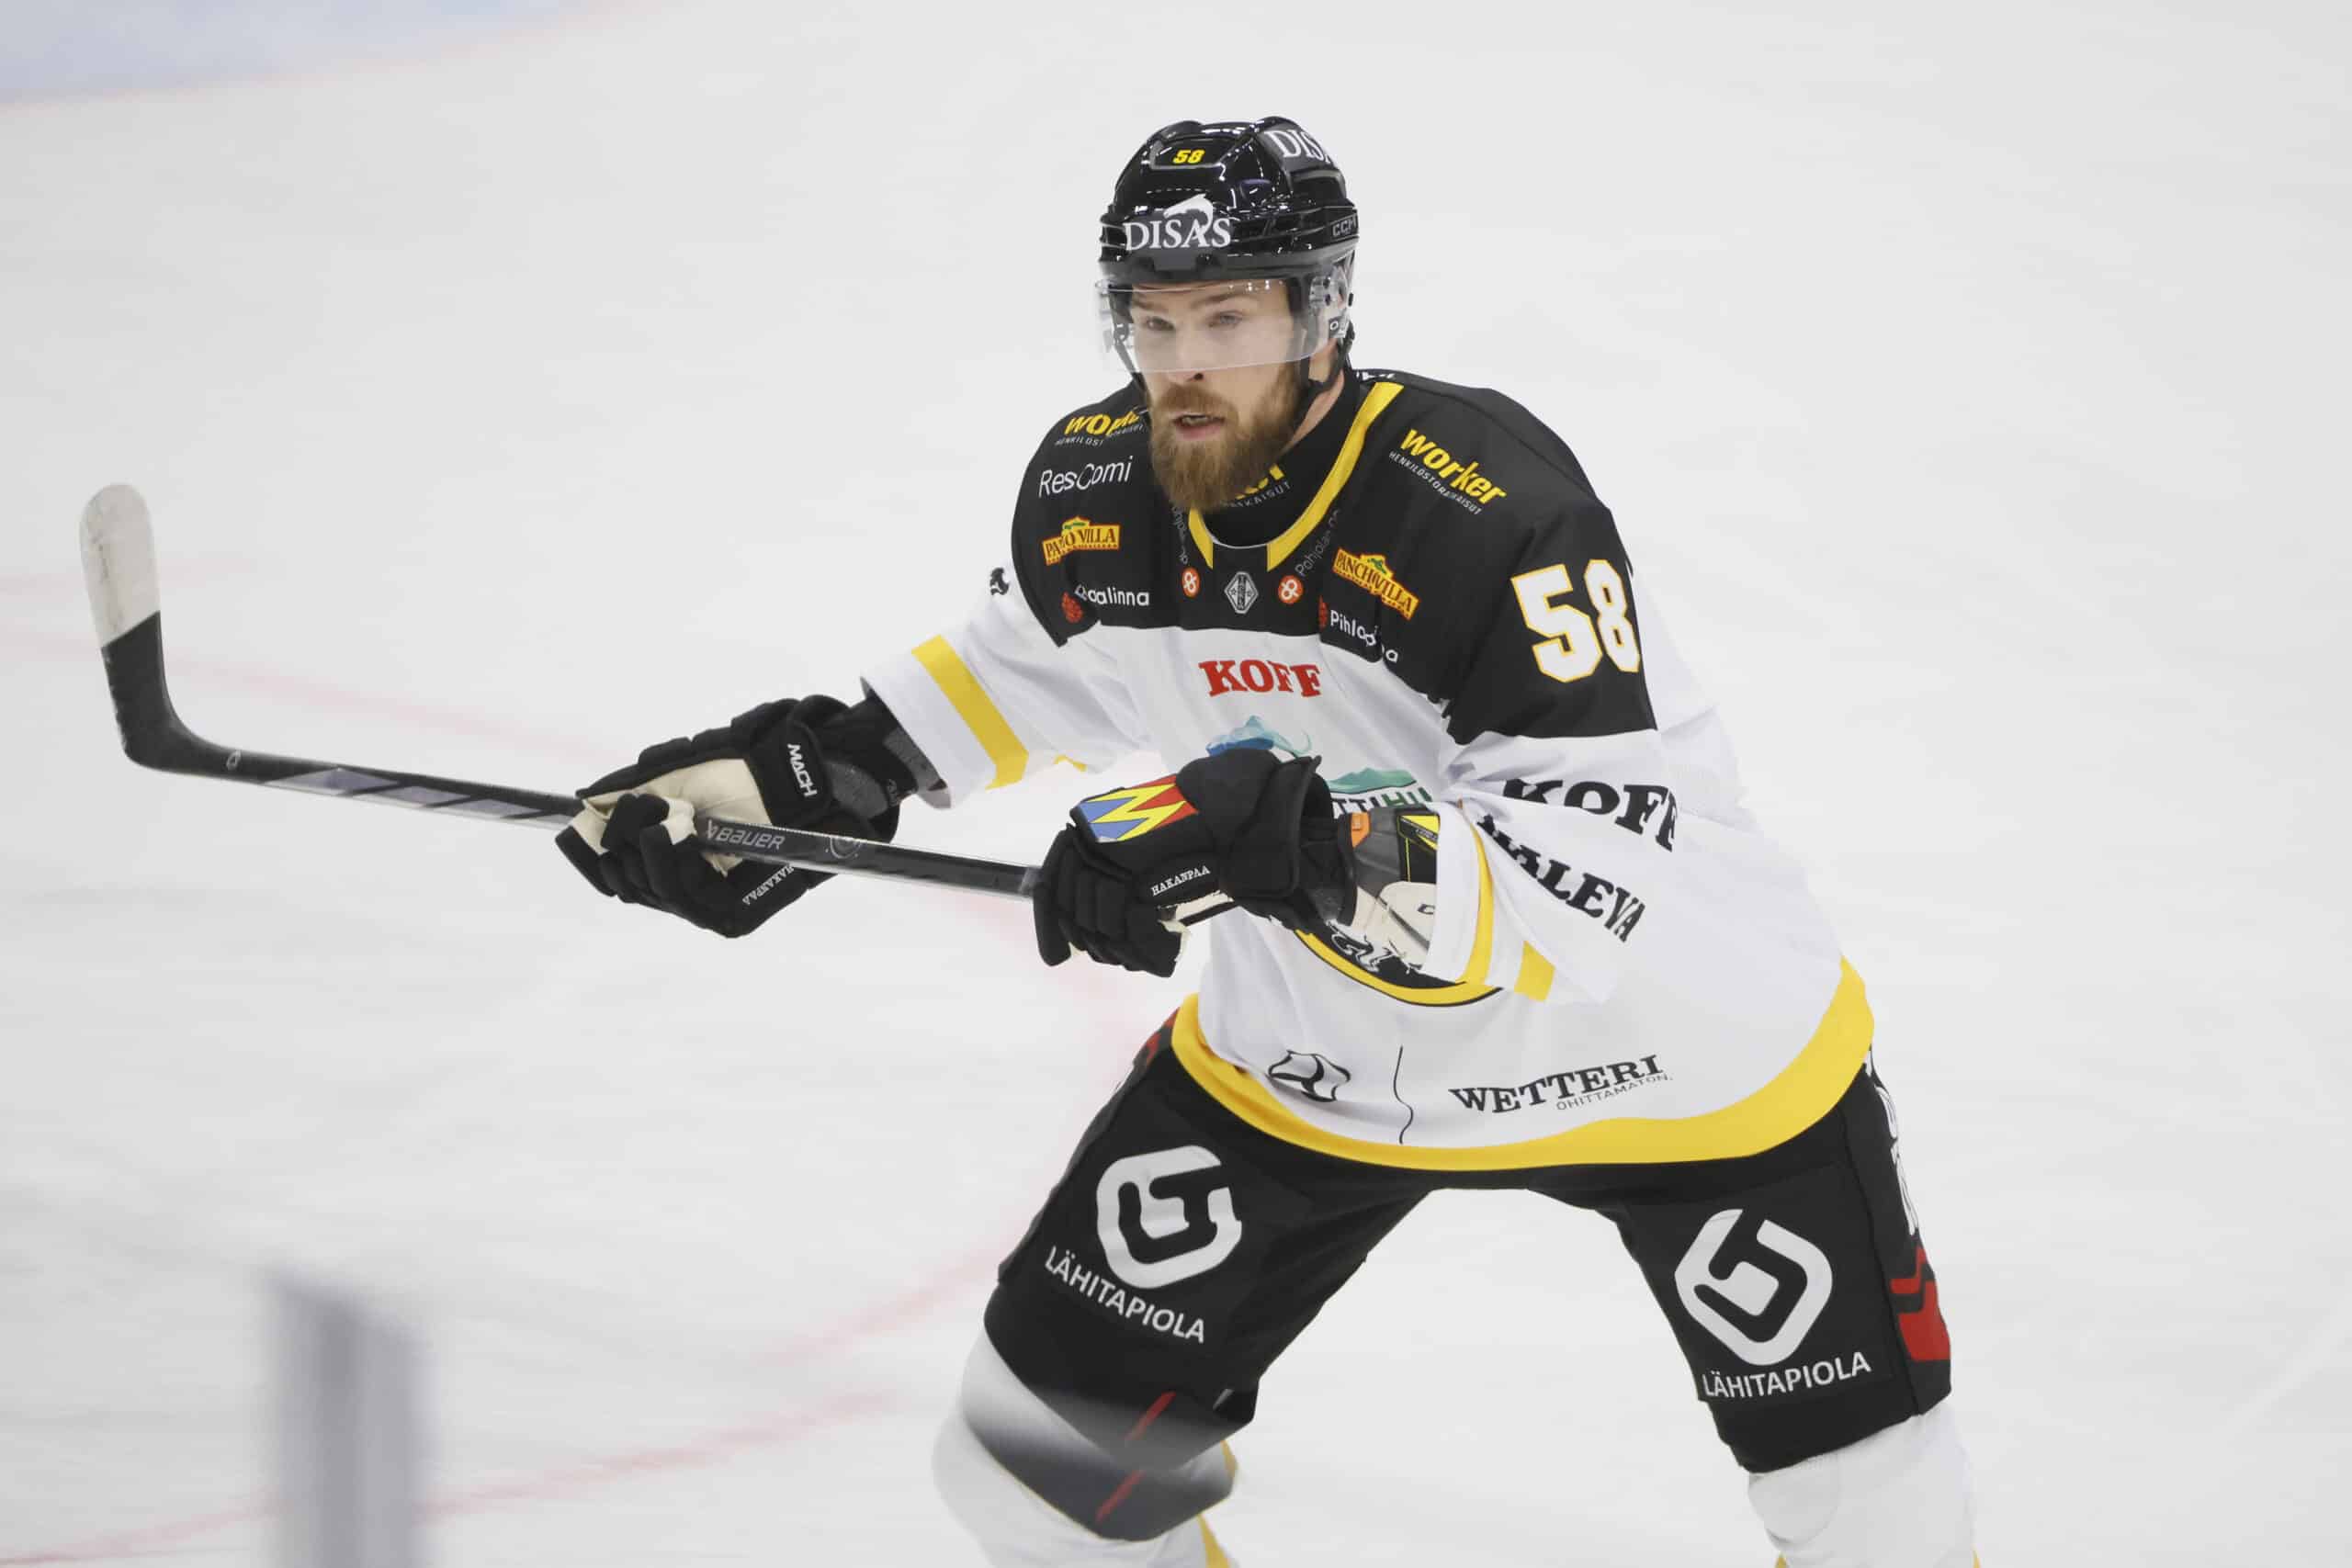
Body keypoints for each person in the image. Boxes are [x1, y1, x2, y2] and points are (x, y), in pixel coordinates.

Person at [556, 117, 1979, 1567]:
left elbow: (1592, 873)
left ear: (1320, 315)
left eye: (1228, 319)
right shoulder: (1099, 487)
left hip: (1673, 1057)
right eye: (1154, 321)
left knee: (1874, 1523)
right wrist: (819, 778)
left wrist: (1277, 834)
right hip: (1320, 1065)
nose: (1183, 363)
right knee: (1041, 1474)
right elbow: (1028, 671)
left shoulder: (1483, 507)